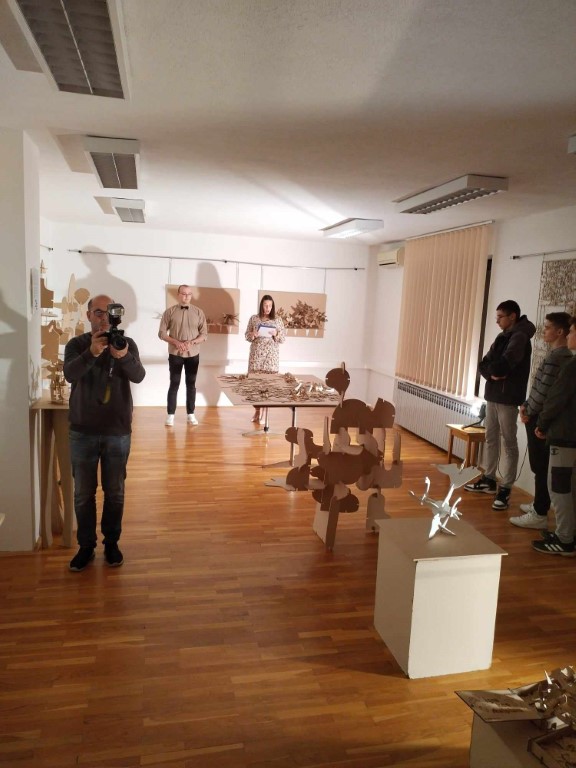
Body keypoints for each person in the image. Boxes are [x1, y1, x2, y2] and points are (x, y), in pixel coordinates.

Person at [64, 295, 146, 572]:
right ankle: (86, 546)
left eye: (108, 312)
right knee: (82, 494)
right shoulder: (77, 344)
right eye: (98, 312)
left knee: (115, 492)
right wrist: (92, 352)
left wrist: (122, 356)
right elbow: (70, 374)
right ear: (88, 315)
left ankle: (112, 543)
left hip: (117, 430)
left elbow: (138, 376)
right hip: (82, 430)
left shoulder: (125, 343)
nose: (103, 318)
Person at [465, 300, 535, 510]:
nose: (497, 321)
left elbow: (502, 366)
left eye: (500, 317)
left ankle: (506, 489)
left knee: (509, 442)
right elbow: (483, 364)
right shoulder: (502, 336)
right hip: (493, 394)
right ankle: (489, 478)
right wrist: (492, 372)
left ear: (512, 316)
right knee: (491, 437)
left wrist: (494, 370)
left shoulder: (520, 337)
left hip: (508, 397)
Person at [509, 312, 572, 529]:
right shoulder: (558, 356)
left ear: (560, 332)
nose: (543, 331)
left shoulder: (558, 358)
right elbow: (539, 387)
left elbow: (546, 391)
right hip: (535, 413)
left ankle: (539, 512)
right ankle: (539, 504)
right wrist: (527, 404)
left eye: (547, 327)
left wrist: (528, 410)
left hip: (539, 417)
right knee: (540, 465)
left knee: (540, 465)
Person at [531, 317, 576, 556]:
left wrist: (542, 423)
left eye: (572, 331)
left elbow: (556, 398)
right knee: (569, 487)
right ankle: (569, 533)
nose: (569, 335)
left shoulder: (571, 366)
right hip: (570, 435)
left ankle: (564, 538)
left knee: (559, 487)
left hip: (565, 435)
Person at [158, 285, 207, 426]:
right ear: (178, 295)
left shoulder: (199, 312)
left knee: (191, 384)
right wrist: (176, 342)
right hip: (175, 354)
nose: (186, 296)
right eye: (184, 294)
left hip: (193, 354)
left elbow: (204, 334)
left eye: (189, 294)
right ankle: (170, 415)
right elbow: (161, 333)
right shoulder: (169, 312)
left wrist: (192, 342)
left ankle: (191, 414)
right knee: (174, 383)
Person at [244, 294, 286, 422]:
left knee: (268, 386)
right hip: (256, 357)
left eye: (270, 306)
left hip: (271, 359)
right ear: (261, 305)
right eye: (265, 305)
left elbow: (282, 339)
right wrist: (253, 334)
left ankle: (265, 414)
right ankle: (257, 411)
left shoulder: (277, 320)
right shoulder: (254, 318)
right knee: (255, 386)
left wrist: (276, 333)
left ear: (272, 307)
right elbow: (247, 336)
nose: (267, 308)